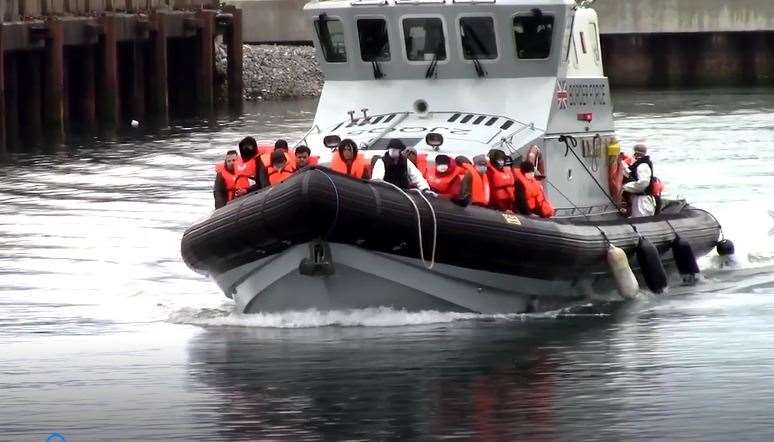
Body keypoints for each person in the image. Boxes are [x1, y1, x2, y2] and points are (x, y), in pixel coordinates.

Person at [622, 144, 657, 217]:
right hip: (637, 199)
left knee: (641, 221)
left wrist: (624, 187)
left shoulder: (642, 166)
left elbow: (643, 183)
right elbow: (630, 172)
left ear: (636, 153)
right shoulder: (639, 164)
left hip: (642, 201)